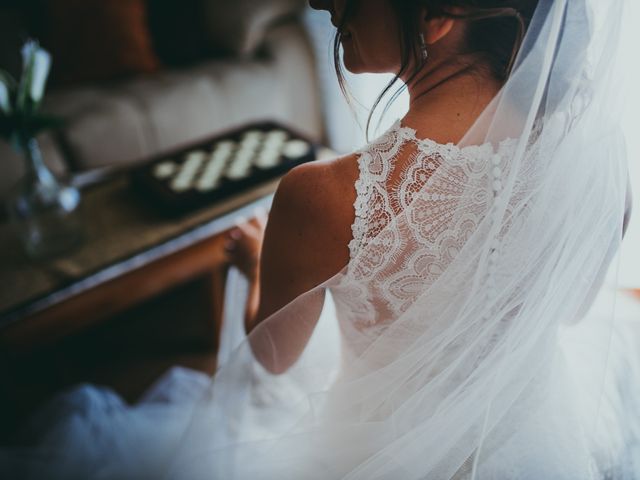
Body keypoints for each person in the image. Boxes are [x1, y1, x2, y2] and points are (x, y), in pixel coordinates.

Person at [1, 0, 638, 478]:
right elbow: (571, 304)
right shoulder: (597, 166)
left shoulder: (322, 196)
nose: (318, 2)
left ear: (441, 13)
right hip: (535, 448)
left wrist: (259, 269)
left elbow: (274, 359)